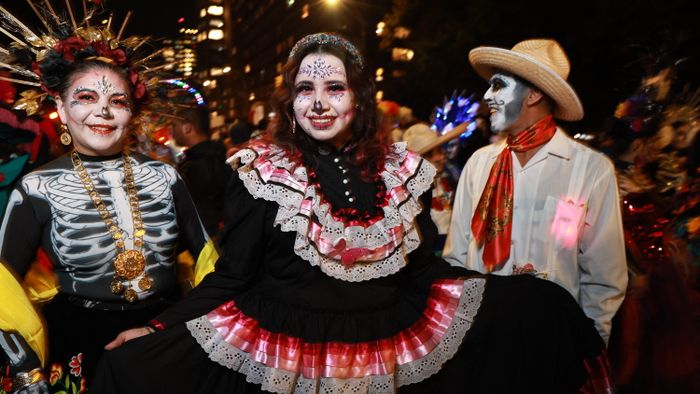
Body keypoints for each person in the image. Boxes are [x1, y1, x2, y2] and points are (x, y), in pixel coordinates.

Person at [91, 33, 609, 394]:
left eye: (334, 88)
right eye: (304, 89)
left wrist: (514, 296)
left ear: (358, 98)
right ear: (289, 101)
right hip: (287, 355)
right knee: (131, 366)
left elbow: (424, 269)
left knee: (537, 308)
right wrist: (158, 330)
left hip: (388, 349)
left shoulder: (402, 170)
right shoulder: (259, 170)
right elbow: (233, 275)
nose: (318, 103)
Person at [0, 5, 218, 391]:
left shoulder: (166, 177)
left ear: (131, 113)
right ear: (62, 110)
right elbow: (2, 286)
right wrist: (24, 367)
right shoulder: (35, 188)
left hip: (164, 332)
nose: (103, 109)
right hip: (80, 340)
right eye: (85, 97)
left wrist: (200, 333)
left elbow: (210, 266)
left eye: (117, 101)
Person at [443, 38, 628, 345]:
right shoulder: (479, 164)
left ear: (534, 94)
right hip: (482, 336)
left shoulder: (590, 169)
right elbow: (456, 258)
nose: (487, 96)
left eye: (499, 86)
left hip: (553, 341)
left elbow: (604, 276)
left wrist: (589, 348)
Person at [170, 107, 232, 239]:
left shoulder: (200, 163)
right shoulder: (217, 154)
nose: (172, 132)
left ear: (187, 128)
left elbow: (204, 211)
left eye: (174, 126)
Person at [403, 122, 463, 251]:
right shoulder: (411, 194)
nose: (443, 157)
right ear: (423, 159)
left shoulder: (442, 182)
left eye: (442, 150)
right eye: (438, 152)